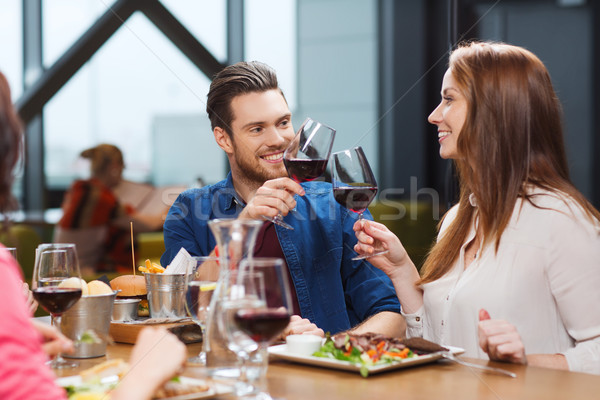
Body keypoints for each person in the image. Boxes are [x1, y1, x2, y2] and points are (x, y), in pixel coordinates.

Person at [353, 41, 600, 374]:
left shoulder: (561, 221)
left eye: (449, 99)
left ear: (495, 111)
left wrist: (527, 362)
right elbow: (439, 344)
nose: (434, 115)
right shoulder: (458, 218)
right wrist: (402, 271)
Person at [161, 61, 404, 337]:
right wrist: (243, 226)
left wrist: (325, 350)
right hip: (234, 371)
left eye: (283, 123)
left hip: (326, 373)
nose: (277, 139)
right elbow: (185, 310)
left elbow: (392, 315)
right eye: (257, 129)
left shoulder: (335, 207)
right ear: (224, 139)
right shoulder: (189, 211)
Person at [0, 70, 186, 400]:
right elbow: (143, 224)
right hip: (82, 276)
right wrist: (174, 204)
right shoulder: (102, 196)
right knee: (129, 284)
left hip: (66, 277)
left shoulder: (79, 190)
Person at [55, 144, 166, 273]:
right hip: (80, 273)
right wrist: (169, 211)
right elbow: (148, 225)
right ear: (114, 167)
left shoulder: (82, 191)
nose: (123, 175)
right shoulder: (99, 197)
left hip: (65, 269)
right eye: (123, 168)